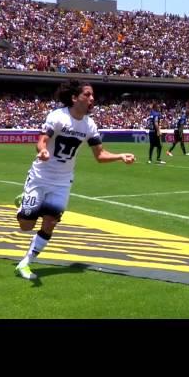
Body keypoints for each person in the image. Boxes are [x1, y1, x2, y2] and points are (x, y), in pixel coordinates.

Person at [13, 80, 135, 280]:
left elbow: (100, 155)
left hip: (63, 181)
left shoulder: (90, 125)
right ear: (74, 98)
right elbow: (42, 140)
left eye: (93, 95)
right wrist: (43, 151)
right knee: (26, 226)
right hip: (41, 176)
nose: (92, 99)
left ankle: (26, 263)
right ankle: (24, 202)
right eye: (87, 94)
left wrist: (120, 156)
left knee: (50, 222)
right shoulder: (58, 117)